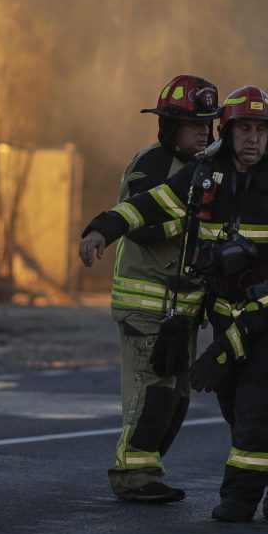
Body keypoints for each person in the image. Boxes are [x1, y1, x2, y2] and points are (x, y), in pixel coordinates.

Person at [79, 85, 268, 523]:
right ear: (229, 131)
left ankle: (239, 499)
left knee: (255, 405)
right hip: (226, 319)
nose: (252, 139)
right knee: (235, 407)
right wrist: (101, 230)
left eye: (261, 129)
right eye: (244, 129)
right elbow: (150, 204)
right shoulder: (205, 174)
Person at [100, 74, 221, 504]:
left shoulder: (208, 171)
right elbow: (142, 228)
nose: (204, 132)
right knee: (150, 393)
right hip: (145, 305)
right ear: (169, 126)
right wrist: (192, 222)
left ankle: (146, 469)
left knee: (174, 398)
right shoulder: (151, 165)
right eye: (194, 124)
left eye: (208, 124)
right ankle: (132, 476)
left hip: (182, 310)